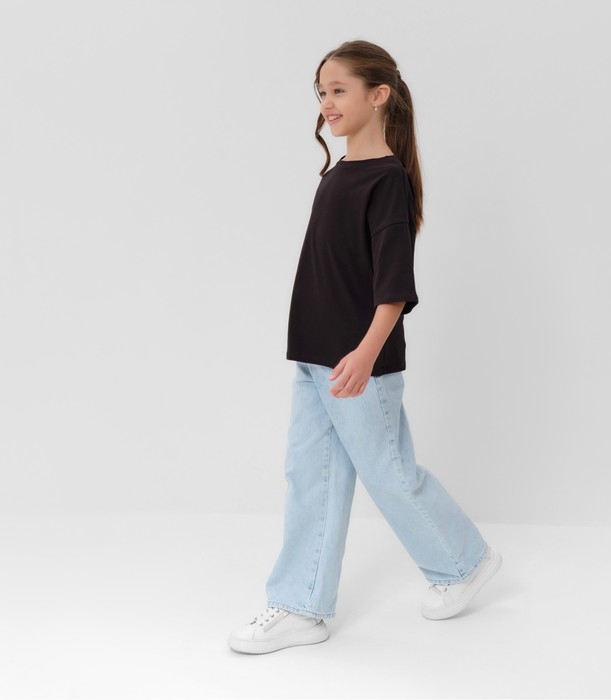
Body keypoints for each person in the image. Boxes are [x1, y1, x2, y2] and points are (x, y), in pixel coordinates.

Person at [228, 40, 501, 655]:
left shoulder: (387, 180)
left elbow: (394, 286)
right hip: (314, 356)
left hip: (358, 363)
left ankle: (465, 563)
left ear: (378, 95)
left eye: (338, 90)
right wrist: (319, 351)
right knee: (310, 477)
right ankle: (302, 606)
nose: (326, 103)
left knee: (389, 473)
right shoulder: (336, 176)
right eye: (321, 93)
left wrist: (366, 353)